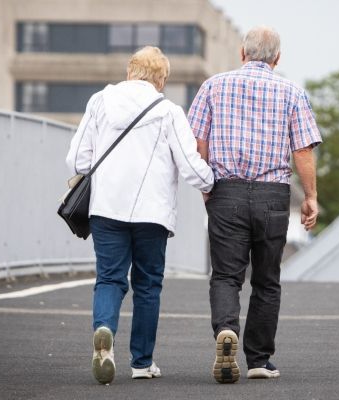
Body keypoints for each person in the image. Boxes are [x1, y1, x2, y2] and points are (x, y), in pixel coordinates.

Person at [65, 46, 214, 384]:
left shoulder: (100, 101)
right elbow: (191, 166)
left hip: (106, 208)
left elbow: (77, 160)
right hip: (153, 213)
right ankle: (142, 363)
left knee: (109, 278)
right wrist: (211, 183)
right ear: (161, 80)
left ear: (130, 71)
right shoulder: (168, 111)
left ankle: (104, 330)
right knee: (147, 284)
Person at [188, 26, 321, 383]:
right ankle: (259, 359)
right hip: (272, 195)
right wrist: (310, 196)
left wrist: (207, 186)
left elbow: (198, 140)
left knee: (227, 276)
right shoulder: (292, 91)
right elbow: (303, 150)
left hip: (225, 191)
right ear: (277, 58)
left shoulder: (213, 86)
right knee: (266, 280)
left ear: (242, 53)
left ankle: (225, 331)